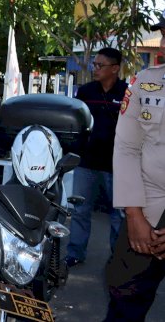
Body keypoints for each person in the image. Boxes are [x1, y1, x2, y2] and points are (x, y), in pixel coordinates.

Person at [104, 24, 165, 321]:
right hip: (147, 208)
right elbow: (127, 148)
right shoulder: (145, 82)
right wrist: (134, 215)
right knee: (124, 296)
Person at [65, 48, 127, 267]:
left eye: (100, 66)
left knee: (118, 216)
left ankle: (118, 258)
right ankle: (75, 252)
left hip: (117, 165)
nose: (95, 69)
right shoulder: (86, 92)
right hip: (87, 162)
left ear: (115, 69)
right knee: (80, 210)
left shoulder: (128, 93)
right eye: (94, 64)